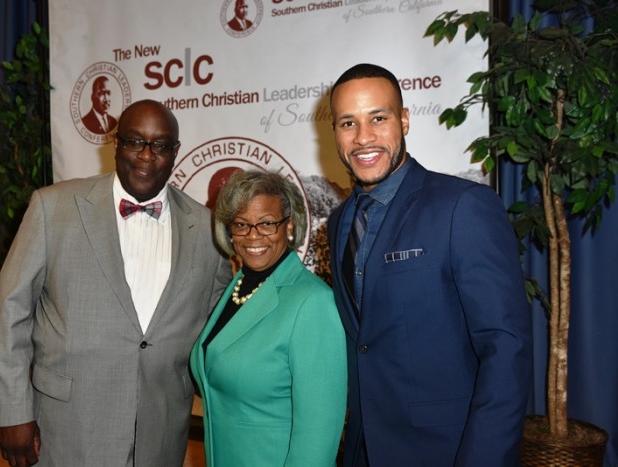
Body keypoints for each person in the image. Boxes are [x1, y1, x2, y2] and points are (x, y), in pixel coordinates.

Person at [0, 99, 232, 467]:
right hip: (69, 425)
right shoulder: (51, 208)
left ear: (175, 152)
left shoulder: (208, 229)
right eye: (135, 141)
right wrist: (13, 413)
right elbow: (11, 311)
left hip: (162, 427)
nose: (147, 156)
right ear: (116, 144)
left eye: (161, 146)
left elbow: (218, 332)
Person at [327, 63, 532, 466]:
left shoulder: (462, 207)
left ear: (404, 120)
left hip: (447, 451)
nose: (363, 137)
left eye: (378, 118)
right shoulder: (339, 221)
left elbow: (506, 349)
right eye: (347, 122)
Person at [190, 170, 347, 467]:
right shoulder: (237, 286)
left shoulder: (313, 303)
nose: (252, 236)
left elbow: (318, 435)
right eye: (241, 224)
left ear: (288, 226)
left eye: (266, 224)